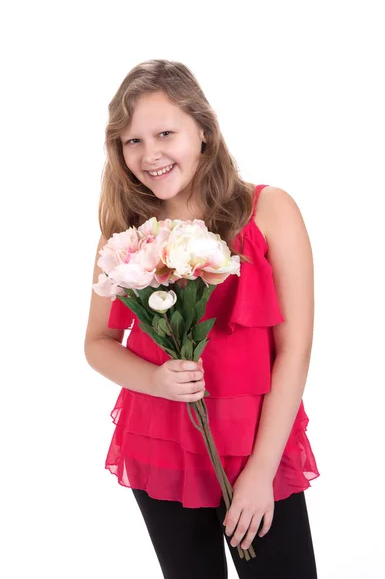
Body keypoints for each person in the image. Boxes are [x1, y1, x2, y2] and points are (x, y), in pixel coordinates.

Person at [84, 59, 320, 579]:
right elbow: (97, 342)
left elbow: (295, 349)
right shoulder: (124, 236)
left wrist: (260, 472)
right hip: (162, 440)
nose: (150, 155)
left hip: (257, 440)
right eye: (132, 141)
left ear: (204, 132)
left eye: (165, 133)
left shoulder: (270, 210)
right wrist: (153, 379)